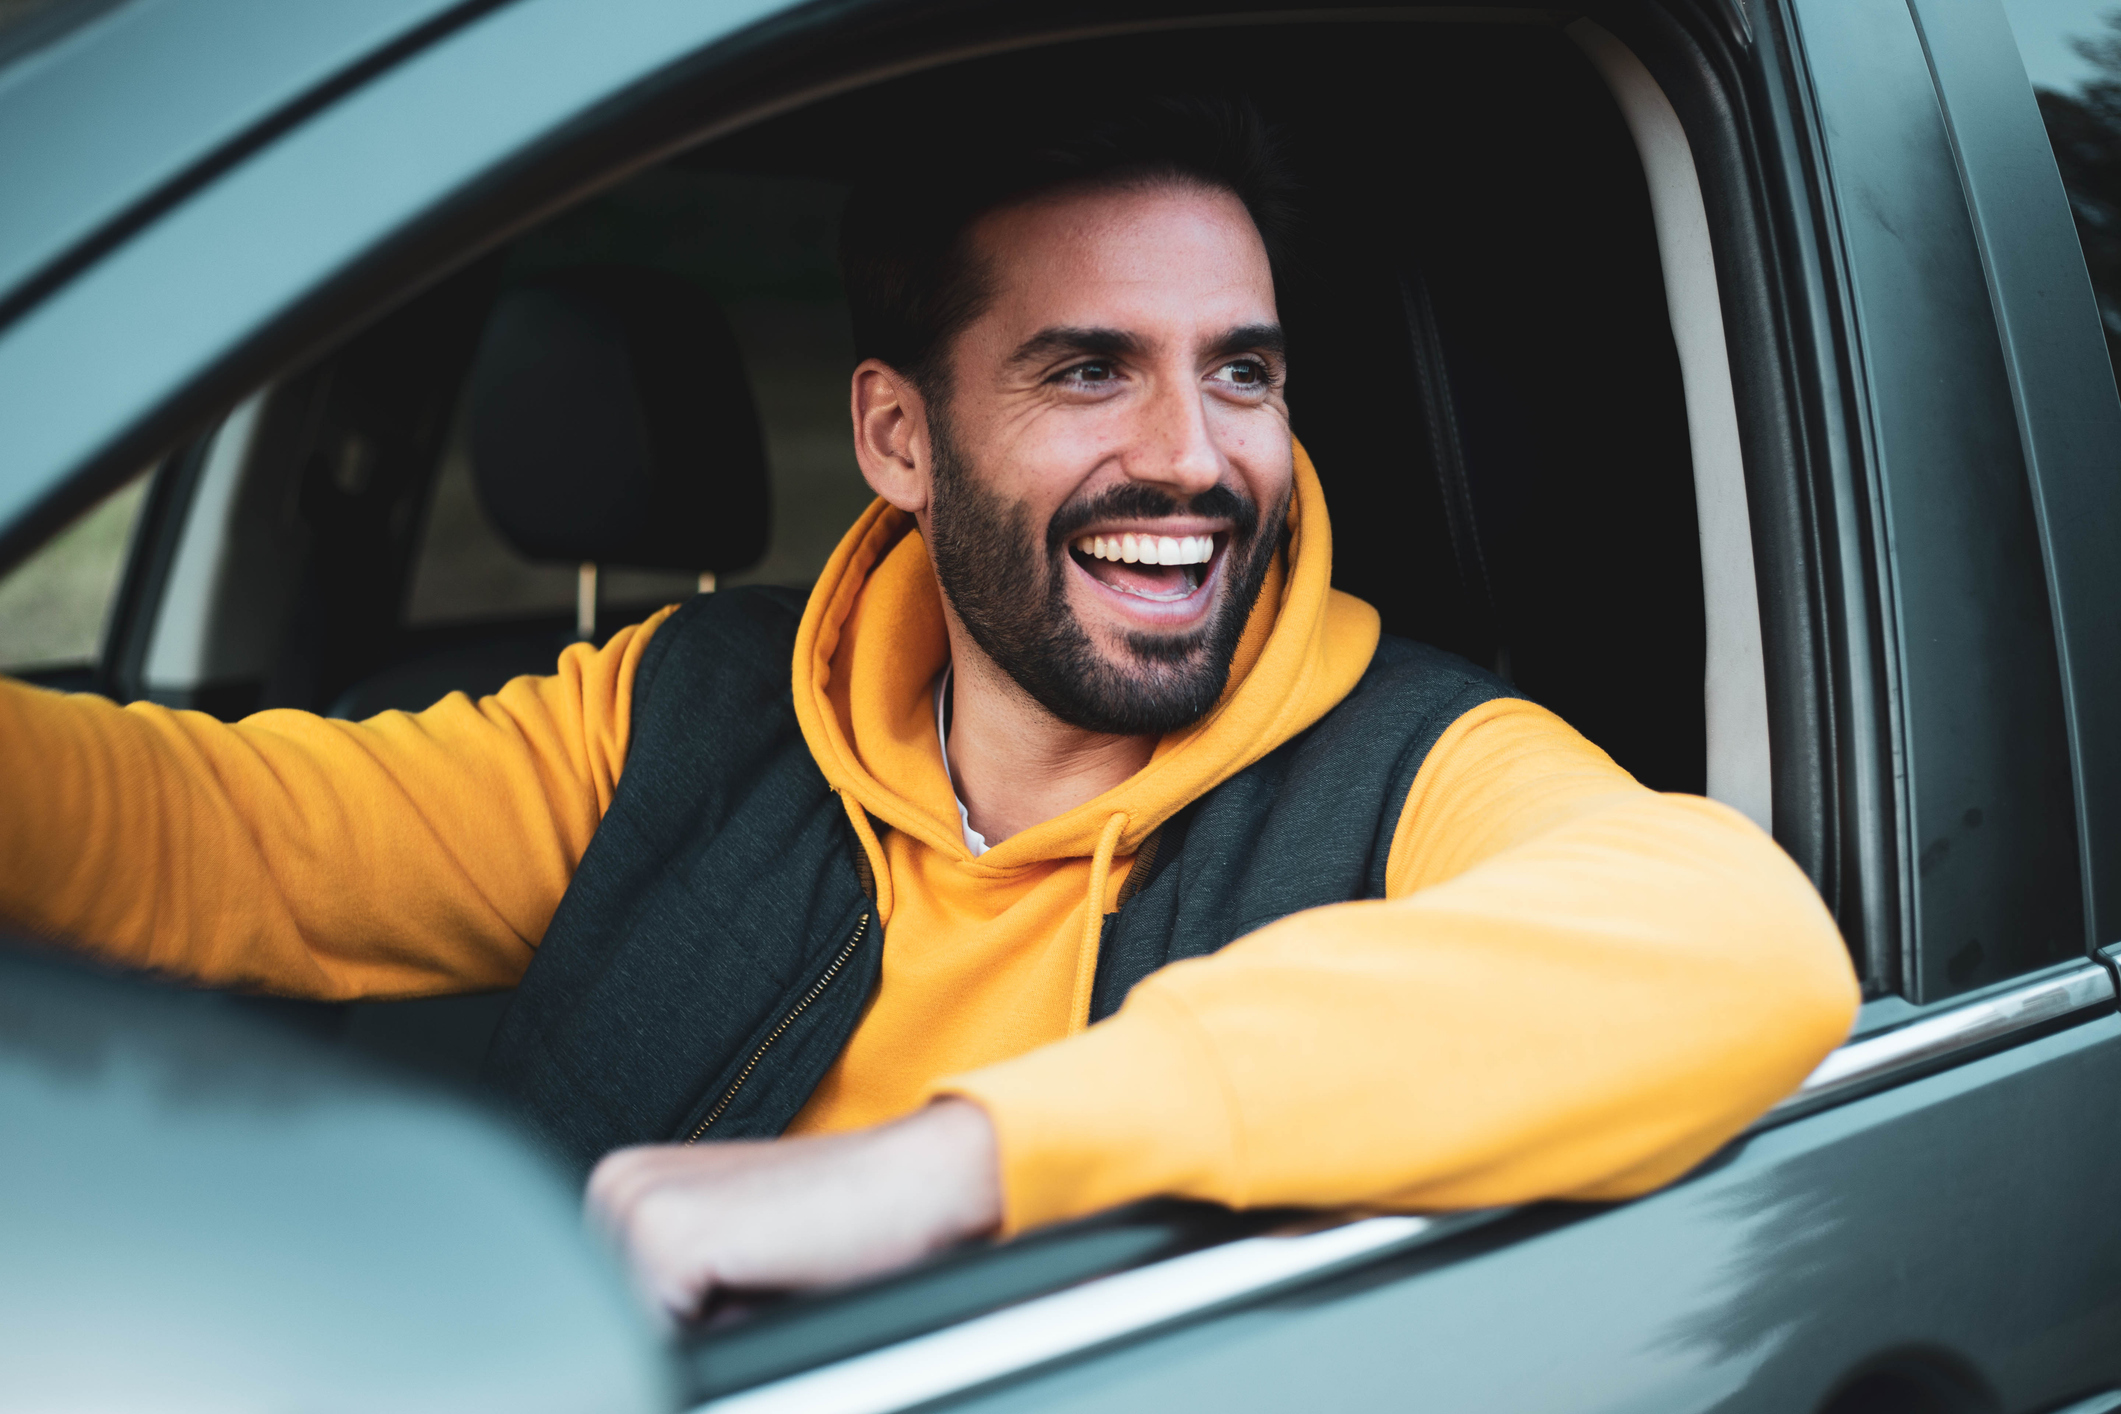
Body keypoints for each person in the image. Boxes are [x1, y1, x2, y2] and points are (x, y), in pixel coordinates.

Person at [0, 98, 1858, 1322]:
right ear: (898, 435)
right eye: (1088, 371)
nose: (1193, 456)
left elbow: (1746, 949)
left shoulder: (1410, 764)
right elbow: (205, 842)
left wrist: (951, 1165)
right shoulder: (696, 711)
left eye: (1240, 372)